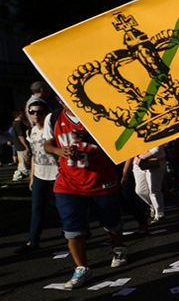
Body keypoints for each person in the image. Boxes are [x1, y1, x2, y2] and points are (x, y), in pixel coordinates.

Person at [44, 99, 127, 289]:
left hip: (101, 180)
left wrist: (91, 139)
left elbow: (119, 143)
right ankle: (81, 267)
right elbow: (47, 144)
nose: (67, 101)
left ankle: (119, 247)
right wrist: (58, 150)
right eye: (61, 98)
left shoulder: (97, 112)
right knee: (72, 229)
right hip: (68, 182)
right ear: (57, 99)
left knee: (111, 222)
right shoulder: (53, 118)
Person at [14, 100, 59, 253]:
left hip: (56, 175)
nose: (35, 115)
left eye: (39, 112)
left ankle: (76, 233)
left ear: (46, 114)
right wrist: (32, 177)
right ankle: (33, 240)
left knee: (63, 207)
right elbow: (33, 155)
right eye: (32, 112)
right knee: (37, 209)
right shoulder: (31, 131)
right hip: (40, 175)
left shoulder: (52, 130)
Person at [132, 146, 166, 223]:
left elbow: (158, 148)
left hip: (156, 161)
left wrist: (143, 156)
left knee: (154, 189)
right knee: (140, 191)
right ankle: (153, 206)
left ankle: (159, 213)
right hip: (138, 162)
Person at [11, 110, 31, 181]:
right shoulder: (19, 124)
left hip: (18, 146)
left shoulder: (14, 123)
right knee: (25, 162)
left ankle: (19, 175)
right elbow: (20, 136)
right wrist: (26, 146)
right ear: (18, 115)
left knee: (21, 162)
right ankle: (24, 175)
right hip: (22, 146)